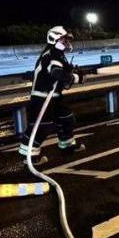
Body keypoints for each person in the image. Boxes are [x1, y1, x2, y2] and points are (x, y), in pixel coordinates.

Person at [18, 26, 86, 164]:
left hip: (54, 95)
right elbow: (56, 73)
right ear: (54, 38)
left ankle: (67, 146)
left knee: (66, 119)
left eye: (67, 39)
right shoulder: (51, 54)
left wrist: (75, 72)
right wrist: (75, 78)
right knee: (42, 126)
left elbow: (63, 72)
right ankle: (29, 156)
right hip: (42, 97)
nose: (67, 41)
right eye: (64, 39)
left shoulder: (59, 54)